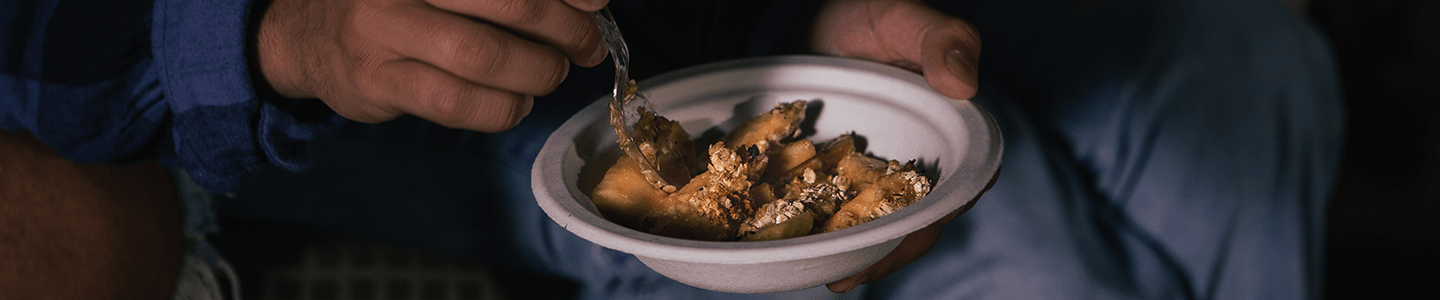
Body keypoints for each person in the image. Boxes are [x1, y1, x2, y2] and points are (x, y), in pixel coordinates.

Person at [0, 0, 1341, 299]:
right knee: (1020, 244)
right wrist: (279, 30)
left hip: (769, 16)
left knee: (1247, 68)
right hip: (424, 93)